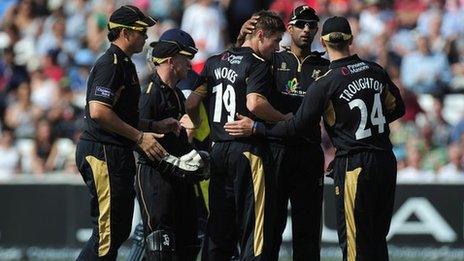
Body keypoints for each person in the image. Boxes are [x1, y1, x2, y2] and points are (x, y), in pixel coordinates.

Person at [225, 16, 405, 261]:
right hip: (384, 159)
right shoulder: (375, 70)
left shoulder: (326, 82)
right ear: (350, 40)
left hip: (353, 164)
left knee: (354, 244)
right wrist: (361, 131)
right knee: (375, 238)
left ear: (322, 40)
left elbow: (297, 126)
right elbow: (397, 109)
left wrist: (256, 128)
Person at [185, 10, 288, 261]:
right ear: (261, 35)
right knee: (254, 226)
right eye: (275, 41)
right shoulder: (258, 64)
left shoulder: (214, 61)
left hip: (218, 149)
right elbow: (254, 104)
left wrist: (199, 121)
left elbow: (191, 101)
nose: (276, 48)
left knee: (219, 225)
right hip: (247, 150)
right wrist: (286, 119)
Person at [237, 6, 330, 260]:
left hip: (309, 151)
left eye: (312, 25)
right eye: (301, 24)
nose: (306, 30)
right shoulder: (272, 59)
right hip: (274, 149)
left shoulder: (325, 66)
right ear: (289, 28)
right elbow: (237, 64)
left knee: (308, 230)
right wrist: (240, 38)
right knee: (269, 228)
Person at [75, 5, 166, 260]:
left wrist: (153, 126)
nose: (146, 37)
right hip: (103, 152)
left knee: (118, 229)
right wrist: (139, 137)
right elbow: (99, 111)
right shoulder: (111, 64)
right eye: (141, 31)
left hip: (115, 152)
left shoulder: (124, 64)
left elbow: (123, 115)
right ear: (124, 33)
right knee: (107, 233)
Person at [135, 28, 210, 261]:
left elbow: (180, 140)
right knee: (160, 246)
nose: (190, 64)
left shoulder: (177, 95)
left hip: (180, 180)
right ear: (170, 61)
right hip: (156, 179)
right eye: (186, 59)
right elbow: (140, 138)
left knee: (188, 244)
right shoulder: (149, 93)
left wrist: (190, 151)